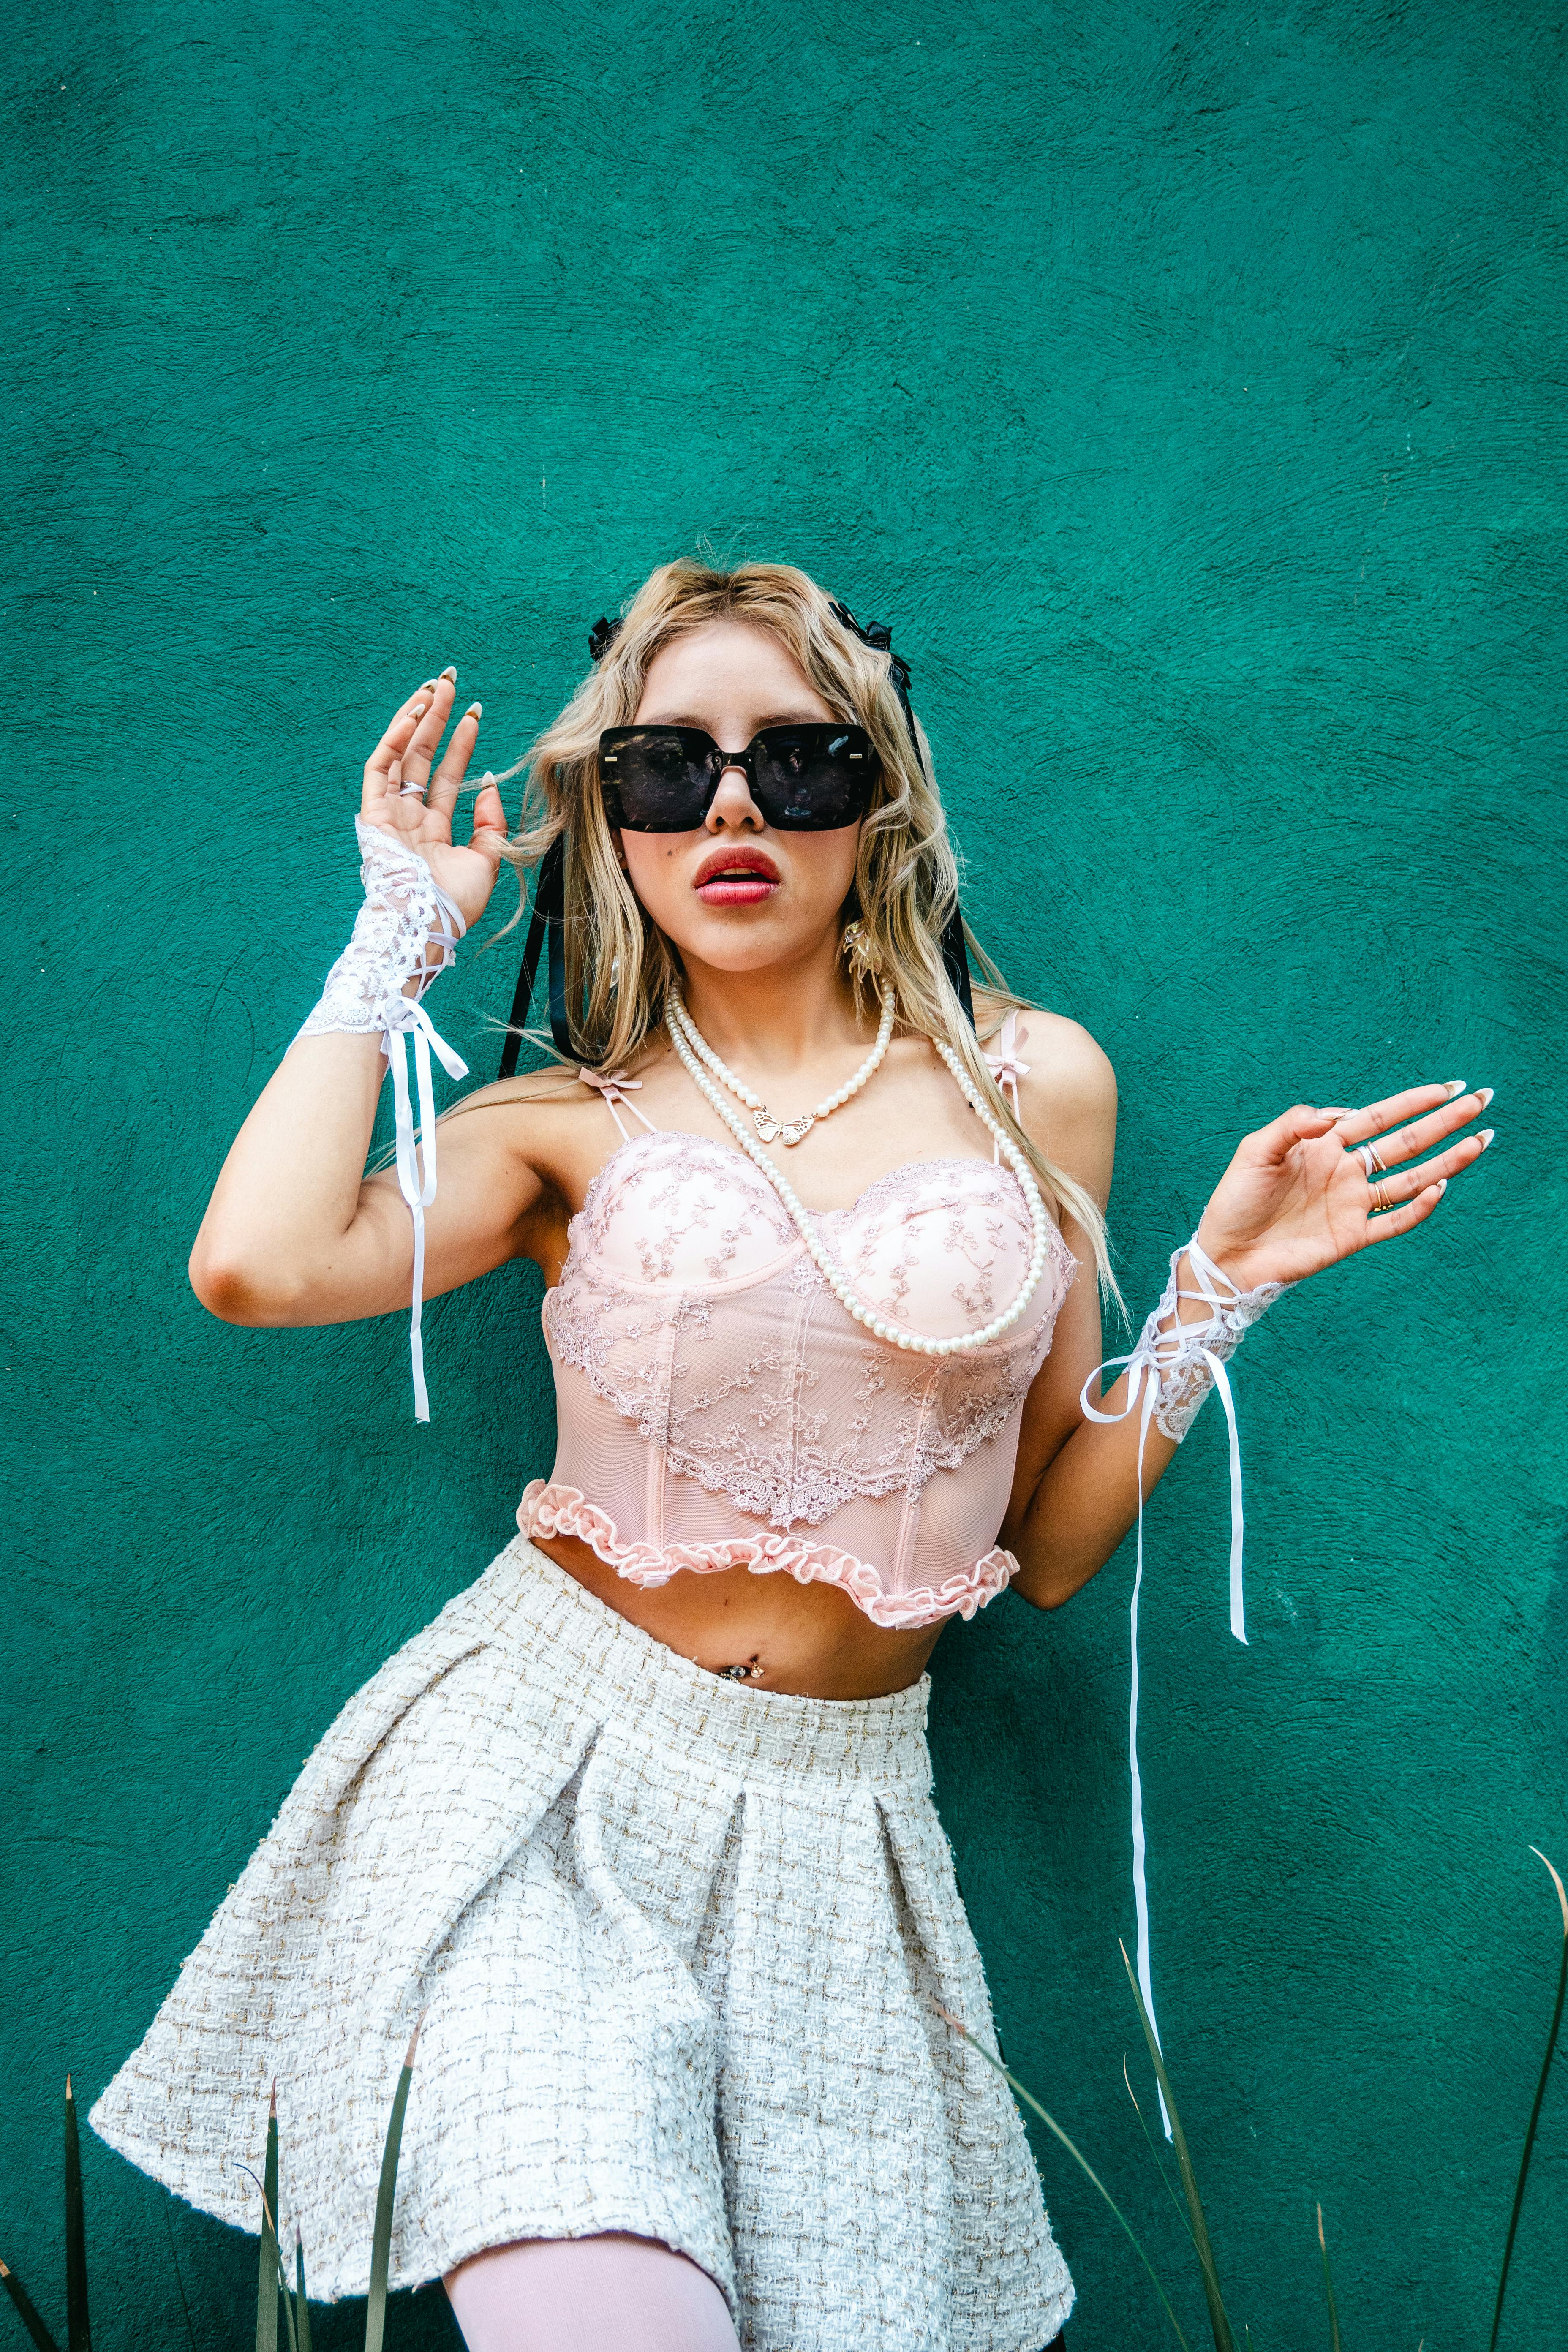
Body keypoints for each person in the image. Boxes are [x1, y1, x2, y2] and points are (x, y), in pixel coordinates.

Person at [90, 562, 1493, 2352]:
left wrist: (1215, 1295)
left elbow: (1045, 1548)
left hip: (840, 1831)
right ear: (606, 821)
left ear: (881, 792)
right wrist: (396, 944)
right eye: (665, 769)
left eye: (798, 761)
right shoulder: (555, 1129)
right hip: (533, 1785)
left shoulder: (1034, 1085)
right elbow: (256, 1265)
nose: (733, 804)